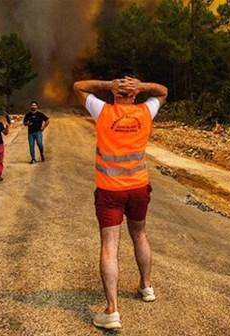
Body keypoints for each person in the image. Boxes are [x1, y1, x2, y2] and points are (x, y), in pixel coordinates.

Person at [73, 71, 168, 330]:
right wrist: (142, 85)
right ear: (136, 94)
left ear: (115, 93)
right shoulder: (146, 112)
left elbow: (78, 87)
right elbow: (163, 91)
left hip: (109, 191)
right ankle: (146, 286)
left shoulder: (102, 111)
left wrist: (108, 85)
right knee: (139, 235)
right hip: (138, 187)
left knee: (110, 245)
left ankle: (112, 310)